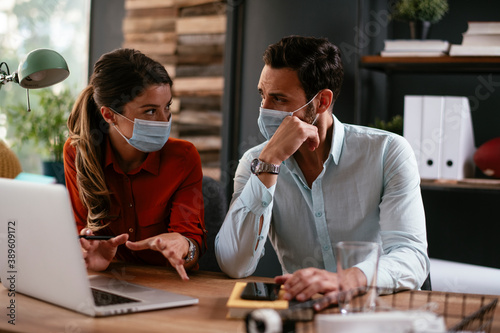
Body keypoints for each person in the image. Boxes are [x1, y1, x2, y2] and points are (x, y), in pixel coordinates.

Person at [215, 36, 429, 309]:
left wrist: (346, 280)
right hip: (301, 311)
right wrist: (270, 162)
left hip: (374, 309)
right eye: (262, 95)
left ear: (322, 102)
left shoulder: (388, 152)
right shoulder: (255, 162)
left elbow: (412, 256)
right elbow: (234, 263)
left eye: (279, 99)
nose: (264, 110)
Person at [64, 48, 206, 281]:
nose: (164, 121)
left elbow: (191, 246)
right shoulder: (77, 152)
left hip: (171, 283)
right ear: (109, 115)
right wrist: (87, 252)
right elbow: (81, 235)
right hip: (107, 281)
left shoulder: (184, 157)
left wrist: (185, 247)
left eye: (167, 107)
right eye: (150, 111)